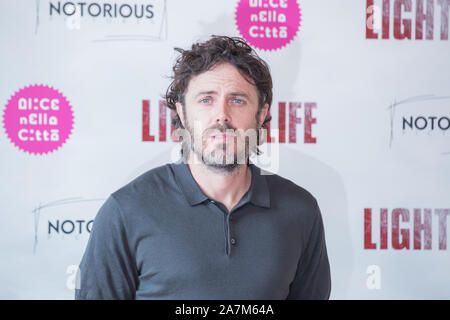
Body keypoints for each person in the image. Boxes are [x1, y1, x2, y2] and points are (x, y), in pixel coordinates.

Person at [75, 35, 331, 300]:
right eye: (206, 100)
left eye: (238, 100)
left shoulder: (301, 211)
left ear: (261, 115)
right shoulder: (127, 210)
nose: (222, 115)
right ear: (182, 114)